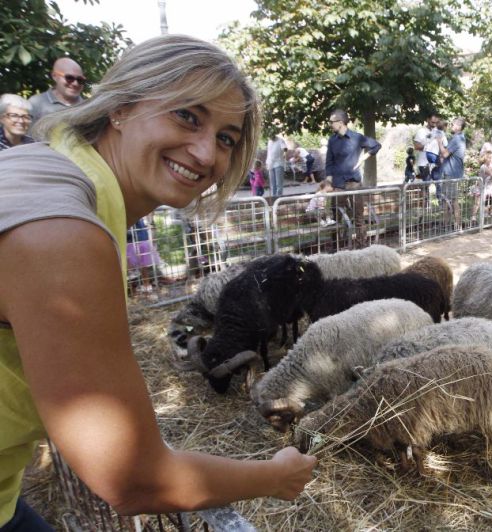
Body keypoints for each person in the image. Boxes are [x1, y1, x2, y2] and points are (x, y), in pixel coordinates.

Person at [0, 35, 316, 530]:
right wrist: (276, 478)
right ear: (122, 106)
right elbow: (132, 478)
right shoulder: (62, 232)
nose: (206, 152)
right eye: (187, 116)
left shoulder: (59, 181)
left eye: (227, 138)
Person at [324, 108, 381, 247]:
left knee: (359, 217)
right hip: (338, 185)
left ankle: (361, 246)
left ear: (341, 122)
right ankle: (337, 247)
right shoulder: (332, 140)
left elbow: (376, 145)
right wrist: (329, 182)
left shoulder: (357, 137)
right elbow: (329, 162)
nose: (330, 124)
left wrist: (363, 158)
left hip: (354, 184)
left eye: (332, 122)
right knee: (336, 217)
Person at [27, 58, 86, 124]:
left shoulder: (87, 107)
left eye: (80, 80)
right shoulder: (36, 103)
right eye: (69, 78)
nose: (75, 83)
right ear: (55, 76)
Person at [438, 117, 467, 230]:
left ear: (458, 127)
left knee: (452, 200)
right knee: (448, 199)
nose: (451, 126)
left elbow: (445, 154)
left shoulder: (457, 139)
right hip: (453, 173)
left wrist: (439, 143)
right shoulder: (460, 138)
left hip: (451, 174)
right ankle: (447, 224)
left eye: (453, 124)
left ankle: (456, 226)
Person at [126, 218, 164, 294]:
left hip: (139, 239)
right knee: (137, 265)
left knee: (142, 265)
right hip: (134, 239)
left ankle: (146, 286)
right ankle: (140, 286)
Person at [472, 151, 492, 220]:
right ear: (485, 158)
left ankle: (486, 215)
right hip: (481, 187)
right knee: (477, 203)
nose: (491, 159)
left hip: (489, 187)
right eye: (489, 158)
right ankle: (473, 216)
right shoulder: (483, 167)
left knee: (489, 201)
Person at [265, 131, 287, 198]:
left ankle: (279, 197)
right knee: (272, 183)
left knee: (278, 183)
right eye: (269, 136)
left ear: (274, 134)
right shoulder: (269, 141)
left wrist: (284, 154)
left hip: (279, 163)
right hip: (270, 164)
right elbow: (269, 153)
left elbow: (285, 149)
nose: (270, 137)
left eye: (271, 136)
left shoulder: (280, 140)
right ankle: (273, 196)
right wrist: (267, 162)